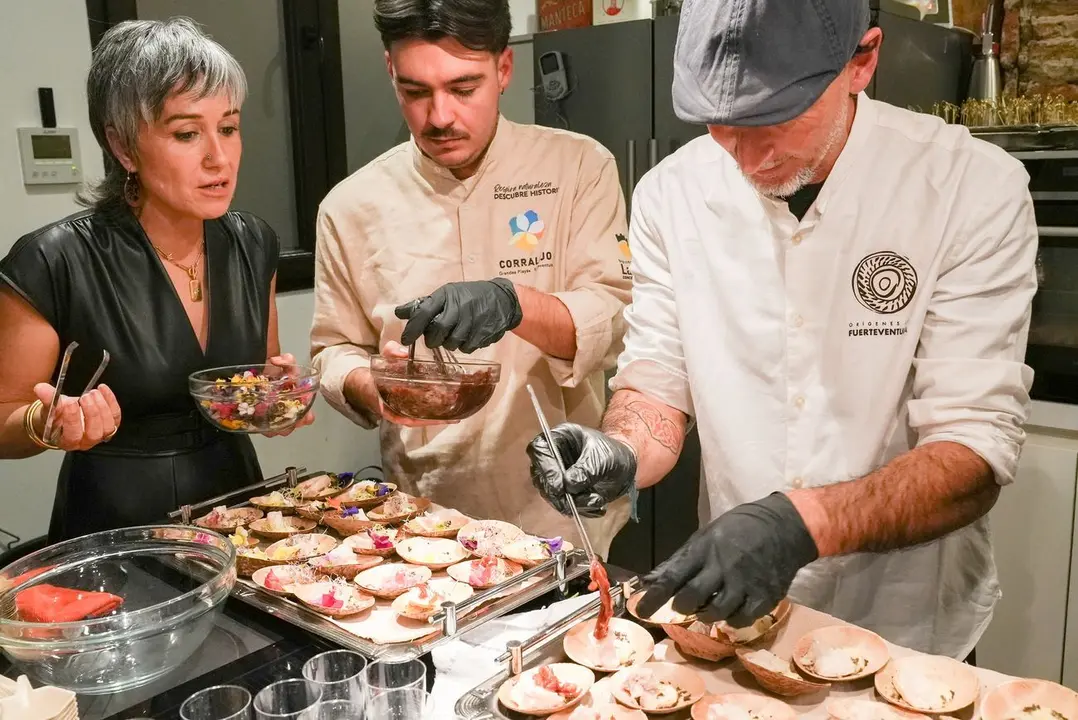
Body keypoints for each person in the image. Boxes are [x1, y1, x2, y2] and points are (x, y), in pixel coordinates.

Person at [528, 0, 1038, 659]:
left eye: (774, 116)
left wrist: (804, 523)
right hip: (736, 619)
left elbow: (974, 448)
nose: (743, 153)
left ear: (862, 62)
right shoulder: (669, 196)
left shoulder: (969, 187)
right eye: (718, 120)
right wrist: (623, 450)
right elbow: (658, 380)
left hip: (907, 625)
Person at [310, 0, 632, 554]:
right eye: (415, 92)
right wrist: (374, 385)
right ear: (391, 72)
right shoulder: (351, 206)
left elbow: (616, 318)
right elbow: (333, 348)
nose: (439, 117)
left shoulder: (578, 168)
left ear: (504, 69)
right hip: (425, 518)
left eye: (464, 89)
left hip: (557, 513)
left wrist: (514, 303)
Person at [0, 17, 312, 542]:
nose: (219, 157)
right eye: (188, 133)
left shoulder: (253, 243)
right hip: (115, 520)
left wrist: (274, 405)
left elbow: (252, 388)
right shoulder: (54, 259)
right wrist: (45, 423)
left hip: (236, 507)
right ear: (123, 148)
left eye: (229, 128)